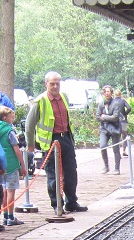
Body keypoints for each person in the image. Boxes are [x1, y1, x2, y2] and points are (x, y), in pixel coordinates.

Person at [25, 71, 88, 213]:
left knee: (71, 171)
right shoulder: (40, 101)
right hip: (51, 141)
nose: (55, 86)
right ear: (46, 83)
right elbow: (29, 126)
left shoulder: (64, 97)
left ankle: (71, 202)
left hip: (65, 137)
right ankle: (56, 204)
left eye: (57, 84)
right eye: (52, 84)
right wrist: (30, 144)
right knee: (53, 173)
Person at [0, 105, 27, 226]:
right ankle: (11, 217)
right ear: (5, 117)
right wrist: (23, 165)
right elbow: (16, 149)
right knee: (11, 190)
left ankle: (5, 215)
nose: (13, 118)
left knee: (4, 191)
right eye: (11, 116)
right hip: (11, 164)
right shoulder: (9, 131)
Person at [95, 85, 123, 174]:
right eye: (105, 92)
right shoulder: (101, 104)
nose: (107, 93)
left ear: (111, 93)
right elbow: (97, 116)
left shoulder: (116, 103)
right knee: (102, 146)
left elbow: (115, 117)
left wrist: (104, 117)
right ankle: (106, 167)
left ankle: (117, 168)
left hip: (115, 128)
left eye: (108, 91)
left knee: (116, 148)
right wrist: (105, 118)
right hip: (104, 129)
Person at [113, 88, 131, 157]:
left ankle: (117, 152)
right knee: (124, 136)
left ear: (114, 95)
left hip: (115, 121)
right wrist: (125, 114)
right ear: (120, 95)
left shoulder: (112, 102)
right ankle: (124, 150)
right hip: (123, 121)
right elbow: (129, 108)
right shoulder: (123, 101)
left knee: (116, 136)